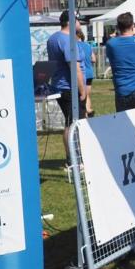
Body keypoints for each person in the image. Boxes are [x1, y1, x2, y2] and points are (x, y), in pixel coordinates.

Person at [47, 11, 87, 165]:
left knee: (70, 123)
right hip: (69, 87)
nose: (80, 24)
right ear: (71, 22)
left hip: (60, 86)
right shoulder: (66, 40)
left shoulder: (53, 38)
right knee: (73, 124)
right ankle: (74, 160)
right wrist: (82, 90)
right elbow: (74, 67)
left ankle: (73, 158)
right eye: (78, 21)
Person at [105, 12, 135, 111]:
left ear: (118, 27)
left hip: (122, 89)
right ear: (132, 26)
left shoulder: (111, 44)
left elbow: (111, 61)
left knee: (124, 123)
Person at [76, 30, 96, 117]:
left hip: (81, 73)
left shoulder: (74, 46)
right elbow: (94, 59)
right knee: (87, 94)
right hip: (90, 73)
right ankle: (89, 111)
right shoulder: (88, 45)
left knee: (82, 94)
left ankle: (86, 111)